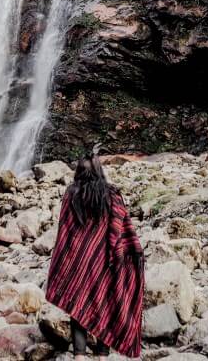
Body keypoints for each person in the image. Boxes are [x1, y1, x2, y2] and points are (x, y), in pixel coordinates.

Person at [45, 152, 144, 359]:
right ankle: (102, 356)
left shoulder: (71, 193)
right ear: (100, 171)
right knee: (105, 305)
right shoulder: (112, 194)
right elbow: (120, 229)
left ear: (79, 172)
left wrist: (64, 261)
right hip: (104, 263)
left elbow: (65, 232)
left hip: (78, 262)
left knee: (78, 303)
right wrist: (124, 255)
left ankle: (79, 356)